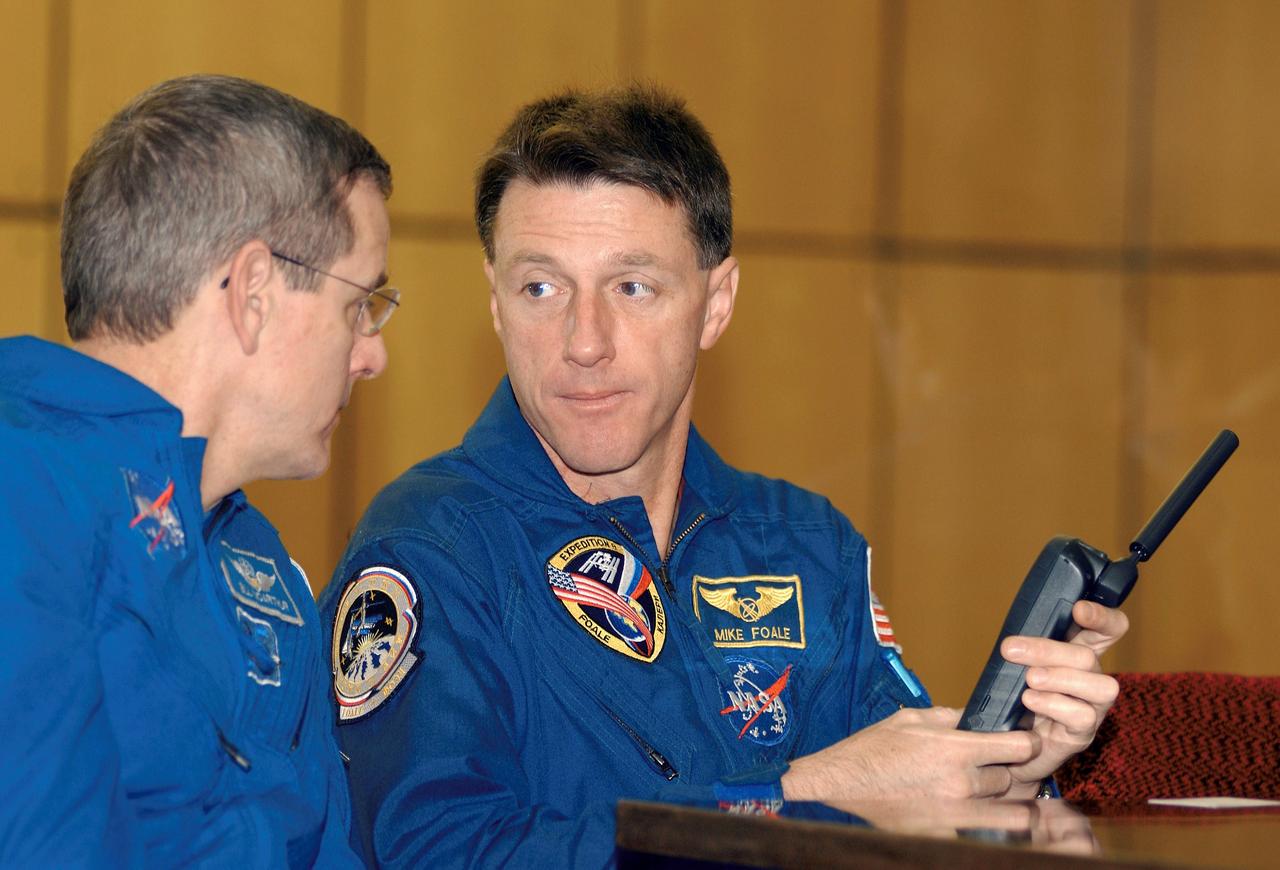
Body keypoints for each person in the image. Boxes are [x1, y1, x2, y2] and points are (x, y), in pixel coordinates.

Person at [321, 85, 1127, 867]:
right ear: (497, 306)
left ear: (716, 303)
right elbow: (440, 852)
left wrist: (1007, 773)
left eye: (633, 287)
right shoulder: (432, 546)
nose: (585, 341)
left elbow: (904, 802)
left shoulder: (805, 545)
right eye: (540, 287)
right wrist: (796, 791)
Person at [0, 74, 398, 866]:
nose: (373, 356)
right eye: (360, 305)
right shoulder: (24, 496)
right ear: (254, 292)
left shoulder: (264, 565)